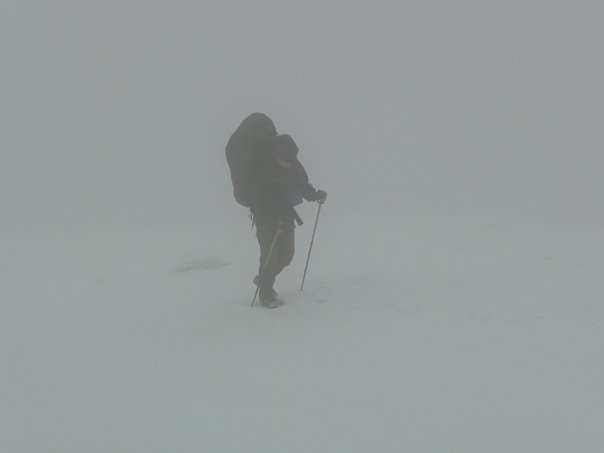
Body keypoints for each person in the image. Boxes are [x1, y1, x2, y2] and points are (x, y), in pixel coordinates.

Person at [250, 134, 326, 308]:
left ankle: (263, 279)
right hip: (266, 220)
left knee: (287, 256)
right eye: (286, 160)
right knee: (271, 259)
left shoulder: (293, 164)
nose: (289, 163)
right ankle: (266, 292)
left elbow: (303, 185)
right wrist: (273, 220)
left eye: (291, 160)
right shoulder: (263, 170)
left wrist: (316, 195)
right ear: (277, 155)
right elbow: (258, 201)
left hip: (286, 216)